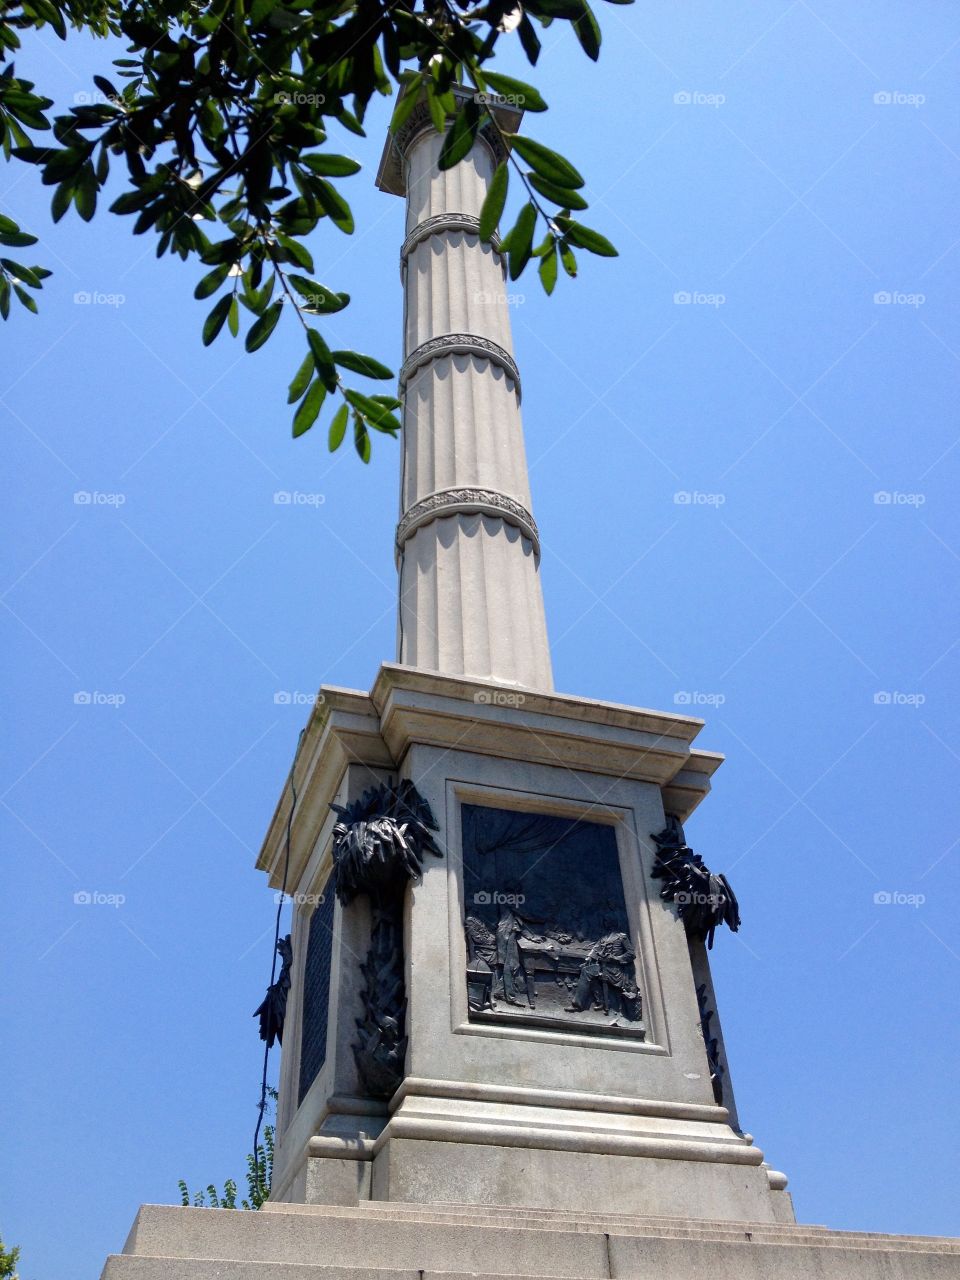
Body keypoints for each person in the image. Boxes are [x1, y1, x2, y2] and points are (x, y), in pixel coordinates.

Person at [566, 914, 640, 1020]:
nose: (606, 924)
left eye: (607, 921)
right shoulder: (604, 938)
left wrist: (615, 958)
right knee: (586, 970)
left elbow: (631, 954)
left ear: (613, 922)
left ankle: (586, 1003)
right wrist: (587, 959)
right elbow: (595, 950)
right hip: (603, 967)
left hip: (615, 970)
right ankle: (593, 1002)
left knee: (588, 972)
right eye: (605, 921)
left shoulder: (621, 937)